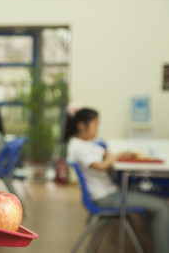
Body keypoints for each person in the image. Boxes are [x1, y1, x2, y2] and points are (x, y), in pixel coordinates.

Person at [64, 108, 169, 253]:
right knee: (163, 206)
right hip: (106, 197)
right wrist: (117, 156)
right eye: (95, 125)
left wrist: (119, 156)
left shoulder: (87, 143)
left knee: (148, 196)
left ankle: (159, 237)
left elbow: (106, 156)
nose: (97, 130)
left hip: (109, 192)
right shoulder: (77, 146)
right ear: (82, 126)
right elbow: (101, 166)